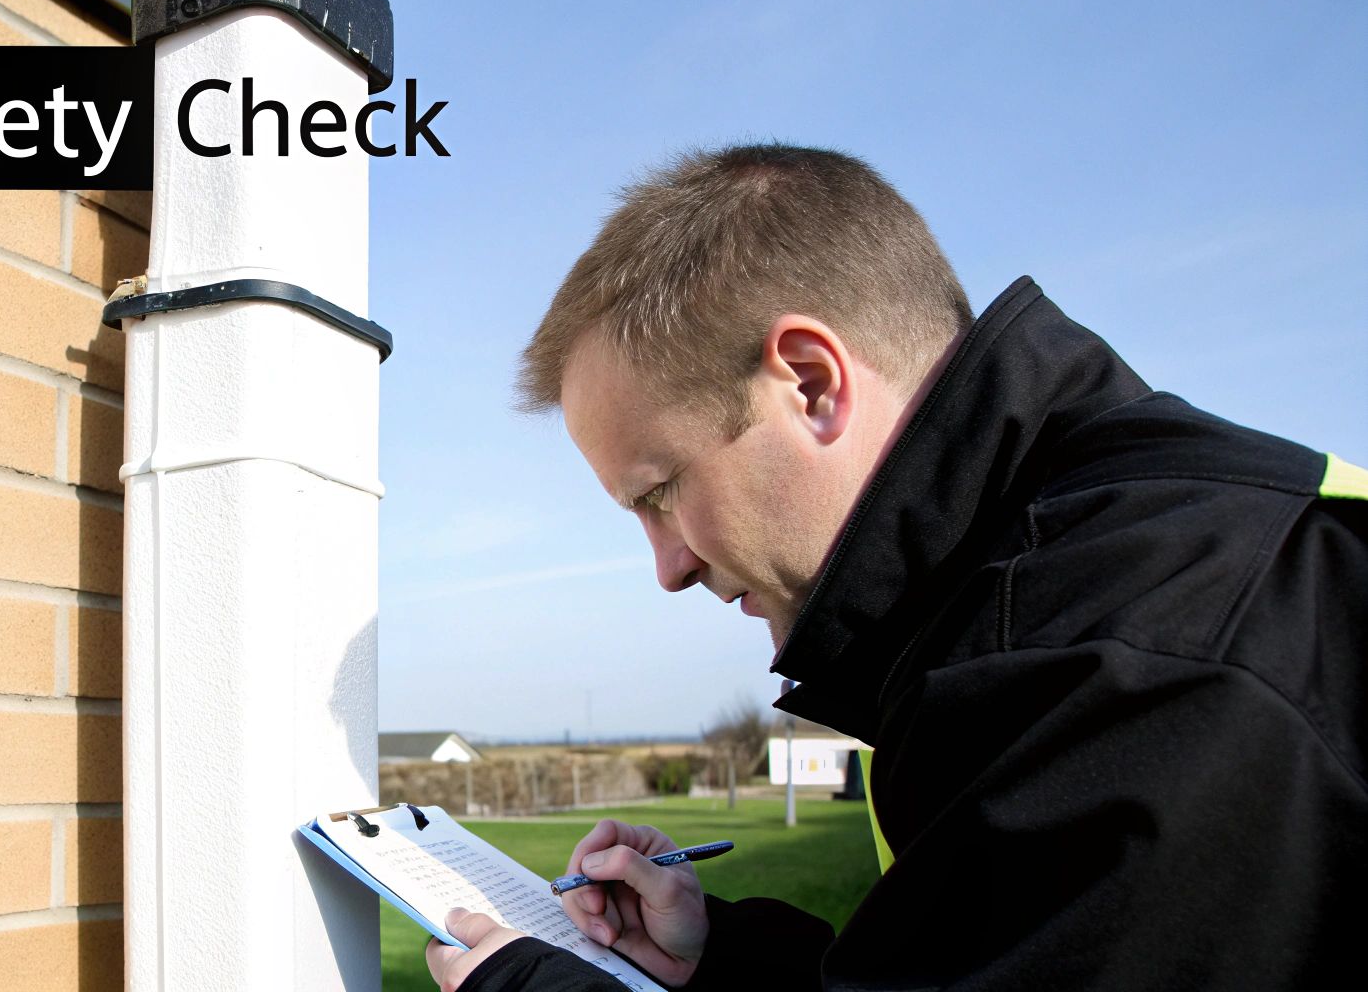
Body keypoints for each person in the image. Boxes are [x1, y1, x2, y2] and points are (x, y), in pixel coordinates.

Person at [423, 144, 1367, 991]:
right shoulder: (1066, 586)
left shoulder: (1133, 668)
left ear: (812, 383)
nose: (667, 569)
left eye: (660, 491)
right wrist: (722, 961)